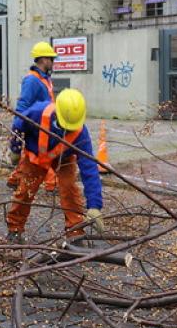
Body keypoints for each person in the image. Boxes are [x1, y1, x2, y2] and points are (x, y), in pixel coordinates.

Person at [6, 89, 104, 245]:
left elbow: (89, 168)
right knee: (25, 191)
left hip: (63, 159)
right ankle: (15, 230)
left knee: (70, 190)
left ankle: (75, 233)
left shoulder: (81, 134)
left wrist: (95, 205)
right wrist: (15, 149)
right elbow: (19, 125)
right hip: (35, 157)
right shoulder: (38, 113)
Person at [7, 42, 59, 192]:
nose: (53, 62)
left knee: (31, 155)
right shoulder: (32, 80)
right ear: (43, 59)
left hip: (46, 123)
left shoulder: (45, 78)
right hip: (37, 125)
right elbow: (22, 108)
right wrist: (16, 139)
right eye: (51, 59)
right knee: (46, 155)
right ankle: (52, 184)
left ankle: (15, 179)